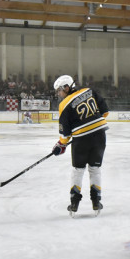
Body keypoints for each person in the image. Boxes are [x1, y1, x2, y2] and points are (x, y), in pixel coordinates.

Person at [52, 75, 110, 215]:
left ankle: (74, 202)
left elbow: (65, 134)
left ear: (67, 87)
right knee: (95, 168)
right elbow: (105, 112)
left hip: (81, 141)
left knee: (78, 170)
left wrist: (61, 145)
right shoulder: (89, 91)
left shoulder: (64, 105)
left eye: (60, 90)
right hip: (100, 136)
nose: (59, 94)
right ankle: (96, 202)